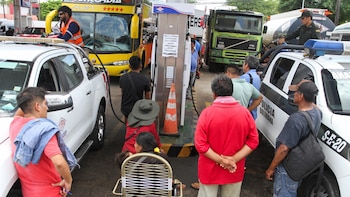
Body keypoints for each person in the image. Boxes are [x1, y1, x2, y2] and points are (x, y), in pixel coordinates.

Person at [194, 74, 259, 197]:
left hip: (209, 169)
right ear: (231, 91)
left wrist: (221, 160)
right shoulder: (245, 113)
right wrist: (232, 160)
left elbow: (200, 145)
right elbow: (253, 141)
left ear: (214, 93)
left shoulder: (207, 114)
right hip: (234, 168)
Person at [9, 87, 78, 197]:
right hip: (50, 191)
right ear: (37, 106)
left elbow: (21, 110)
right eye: (45, 104)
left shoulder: (15, 124)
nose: (47, 108)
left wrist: (28, 99)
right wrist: (68, 180)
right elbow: (59, 163)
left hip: (29, 192)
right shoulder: (44, 131)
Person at [265, 80, 322, 197]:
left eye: (296, 92)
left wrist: (271, 168)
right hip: (301, 164)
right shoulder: (317, 112)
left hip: (288, 167)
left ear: (301, 96)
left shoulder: (296, 120)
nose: (293, 95)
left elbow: (284, 148)